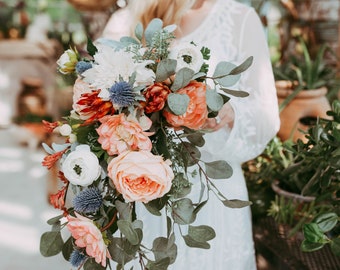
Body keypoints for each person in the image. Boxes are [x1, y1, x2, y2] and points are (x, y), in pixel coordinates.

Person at [101, 0, 280, 269]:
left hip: (210, 193)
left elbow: (266, 116)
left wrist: (230, 113)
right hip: (140, 190)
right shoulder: (126, 20)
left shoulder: (241, 19)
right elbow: (97, 98)